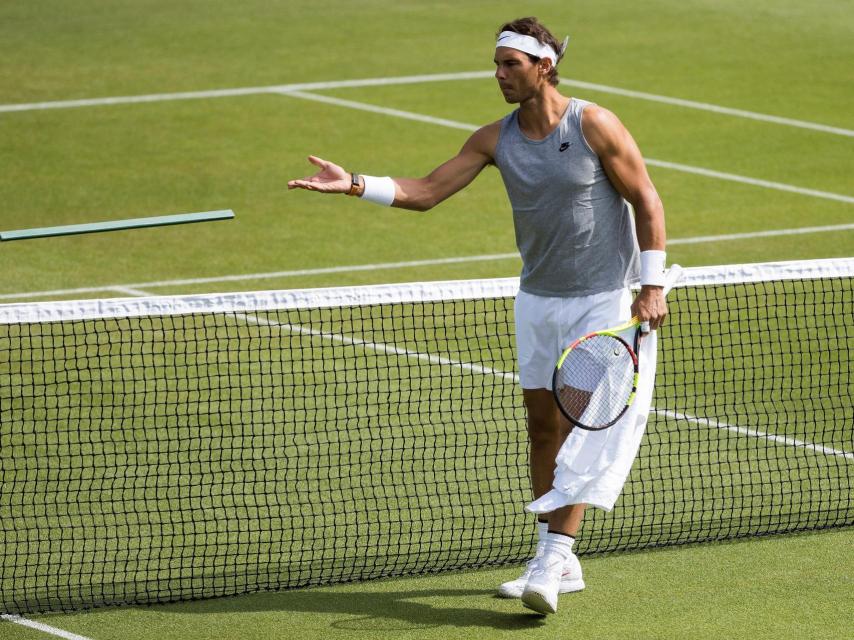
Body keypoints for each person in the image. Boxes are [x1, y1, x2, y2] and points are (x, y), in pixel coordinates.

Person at [288, 16, 668, 615]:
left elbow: (646, 198)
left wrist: (651, 287)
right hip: (538, 300)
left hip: (602, 301)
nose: (498, 76)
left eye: (510, 65)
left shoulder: (593, 123)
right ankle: (559, 557)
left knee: (573, 429)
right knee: (542, 427)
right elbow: (429, 190)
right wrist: (357, 183)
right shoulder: (494, 139)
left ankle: (550, 558)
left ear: (544, 66)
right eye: (495, 65)